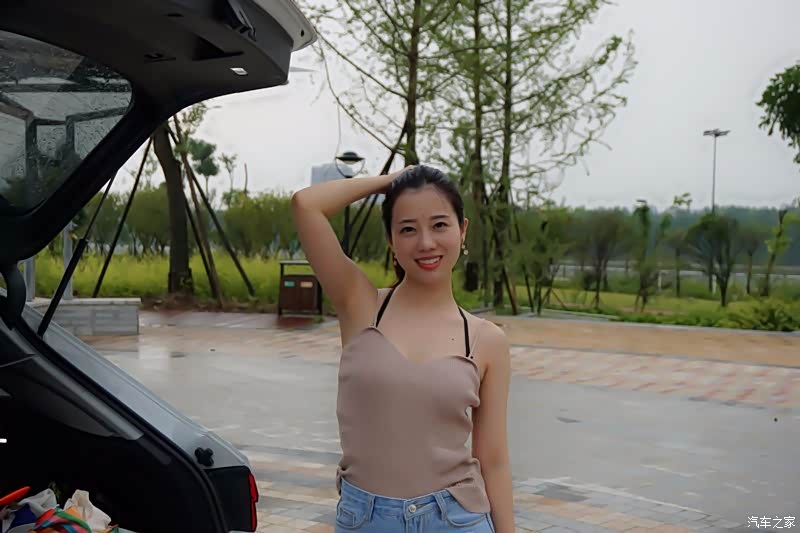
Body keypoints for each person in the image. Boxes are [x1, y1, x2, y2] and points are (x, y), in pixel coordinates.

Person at [291, 164, 514, 532]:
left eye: (439, 225)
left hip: (455, 519)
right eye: (408, 229)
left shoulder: (486, 340)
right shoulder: (360, 304)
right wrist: (391, 182)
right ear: (391, 241)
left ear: (462, 231)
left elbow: (494, 461)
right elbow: (306, 205)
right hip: (367, 519)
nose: (426, 243)